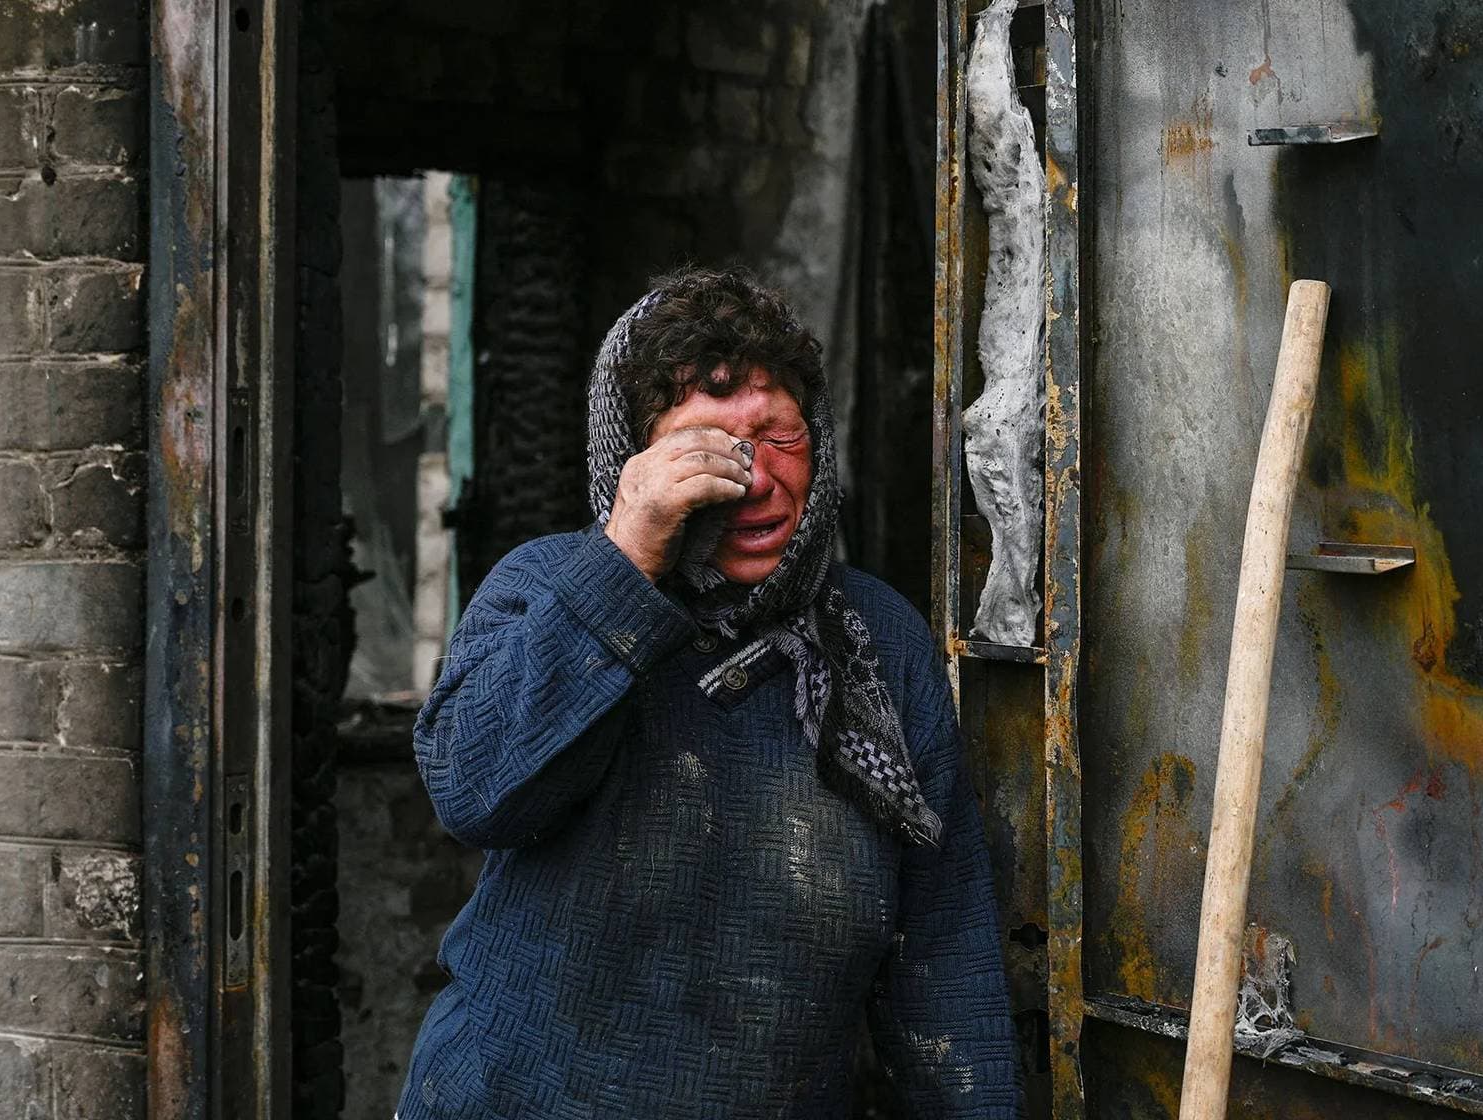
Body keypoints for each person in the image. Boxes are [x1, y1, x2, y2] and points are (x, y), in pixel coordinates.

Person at [396, 266, 1018, 1119]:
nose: (754, 480)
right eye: (707, 448)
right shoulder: (549, 587)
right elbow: (473, 791)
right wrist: (628, 554)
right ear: (636, 462)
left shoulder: (880, 640)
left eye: (780, 436)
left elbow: (943, 952)